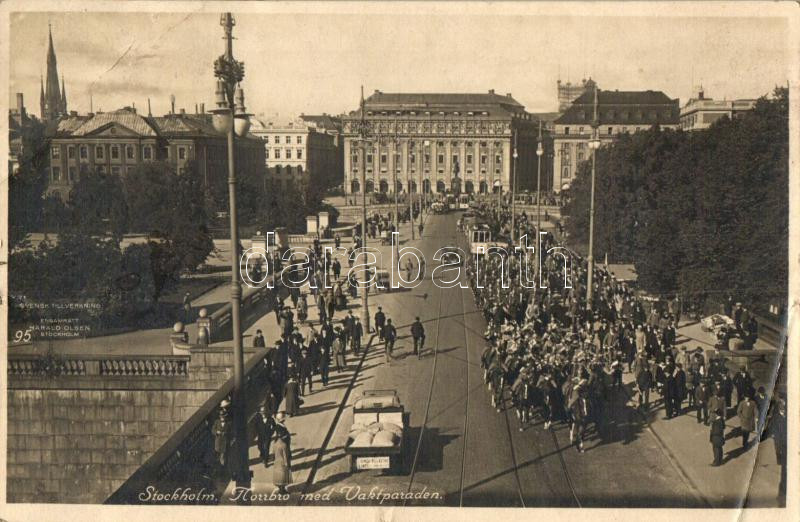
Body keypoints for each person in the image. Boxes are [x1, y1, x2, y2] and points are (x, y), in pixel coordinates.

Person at [272, 413, 292, 495]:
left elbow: (273, 453)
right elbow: (285, 454)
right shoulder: (283, 445)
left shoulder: (275, 444)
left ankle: (281, 489)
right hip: (282, 461)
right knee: (283, 475)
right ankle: (282, 490)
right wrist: (287, 463)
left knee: (279, 475)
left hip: (277, 461)